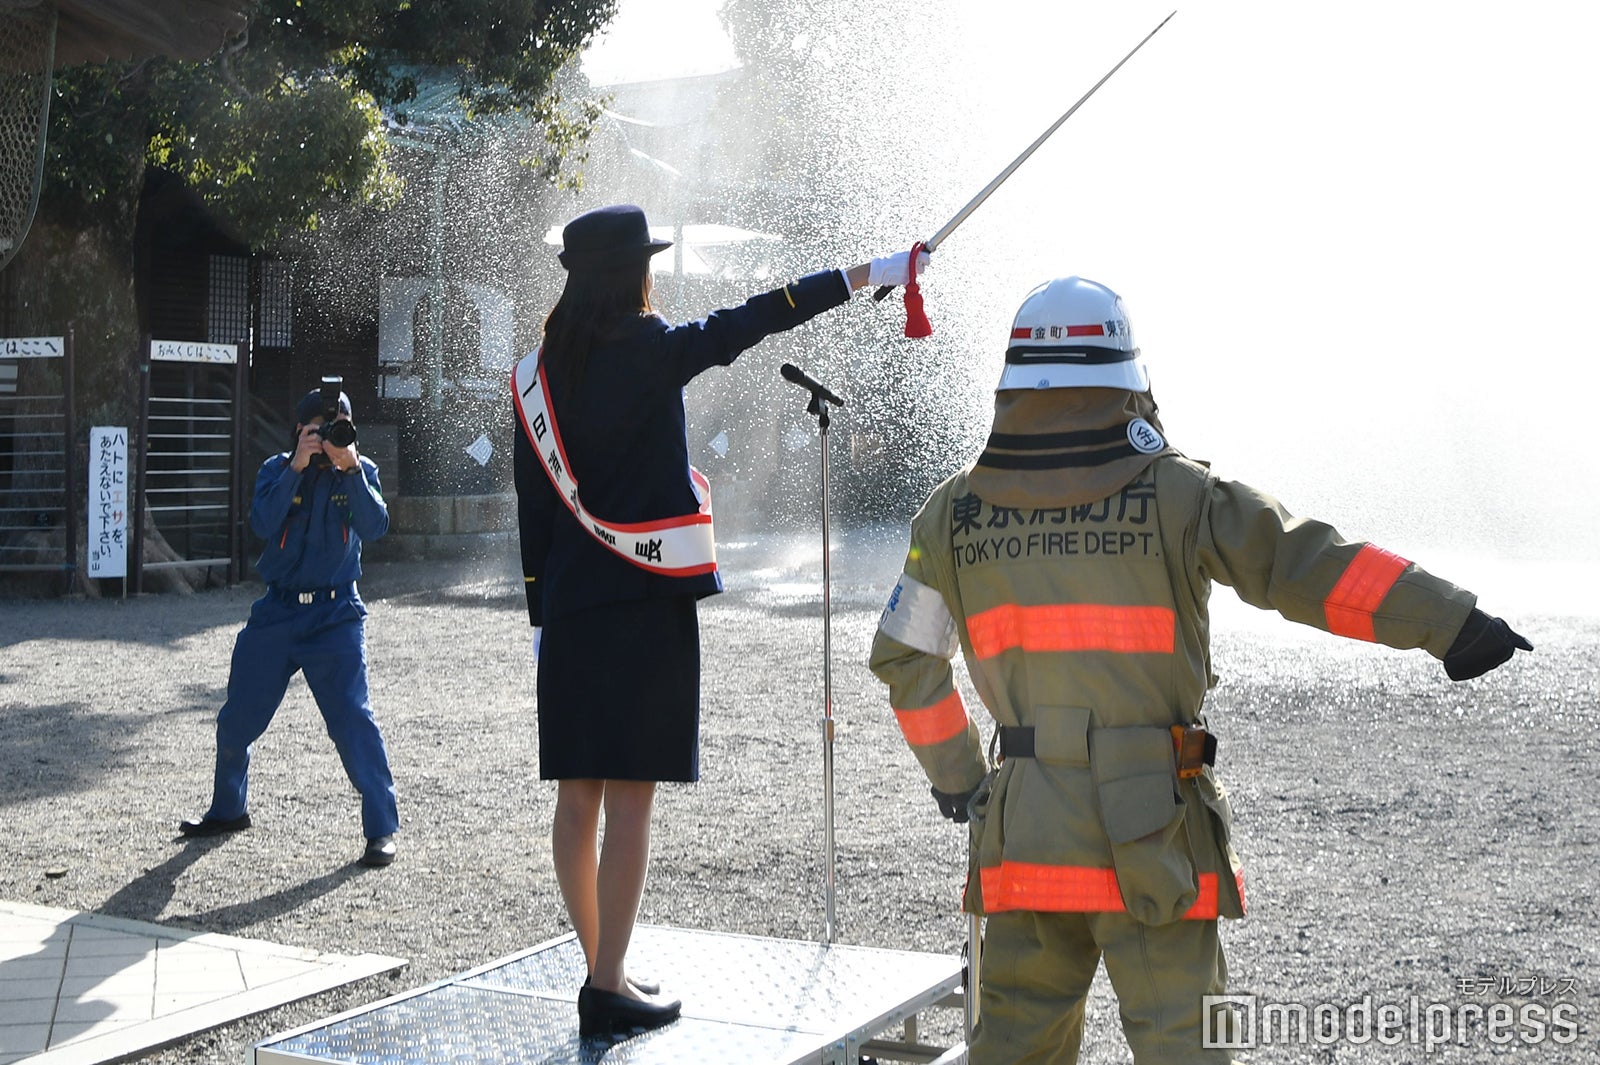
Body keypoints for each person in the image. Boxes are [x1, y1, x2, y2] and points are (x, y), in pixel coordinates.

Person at [867, 276, 1532, 1064]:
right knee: (1186, 1048)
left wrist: (961, 779)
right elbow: (1304, 562)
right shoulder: (1180, 495)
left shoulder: (950, 514)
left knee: (1013, 1045)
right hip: (1151, 834)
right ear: (1127, 378)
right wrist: (1451, 621)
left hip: (1026, 833)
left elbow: (907, 658)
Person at [514, 203, 927, 1037]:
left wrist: (538, 611)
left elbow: (533, 508)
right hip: (644, 602)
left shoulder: (538, 372)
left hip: (568, 607)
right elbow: (764, 313)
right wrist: (868, 274)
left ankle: (605, 971)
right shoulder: (658, 348)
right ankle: (608, 983)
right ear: (635, 272)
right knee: (629, 802)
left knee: (576, 799)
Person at [179, 385, 400, 870]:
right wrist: (297, 467)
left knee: (352, 722)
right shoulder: (276, 470)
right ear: (299, 432)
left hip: (335, 615)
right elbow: (261, 522)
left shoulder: (360, 473)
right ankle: (228, 810)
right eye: (319, 431)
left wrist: (351, 467)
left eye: (338, 429)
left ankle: (381, 829)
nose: (328, 439)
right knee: (238, 717)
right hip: (277, 612)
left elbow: (376, 525)